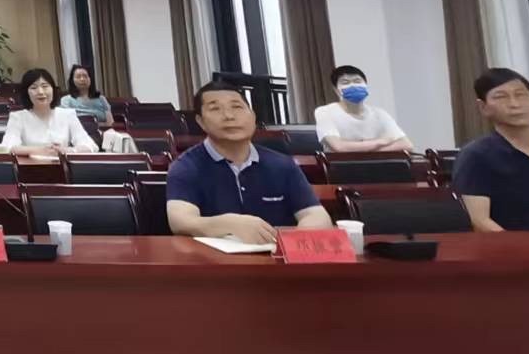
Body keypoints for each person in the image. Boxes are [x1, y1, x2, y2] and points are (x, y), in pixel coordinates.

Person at [166, 80, 331, 243]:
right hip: (213, 258)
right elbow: (181, 222)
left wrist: (294, 242)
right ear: (200, 121)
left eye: (237, 107)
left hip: (276, 254)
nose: (229, 116)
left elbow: (315, 215)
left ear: (252, 116)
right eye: (215, 109)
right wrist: (228, 224)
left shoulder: (282, 164)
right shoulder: (186, 166)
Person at [453, 68, 529, 232]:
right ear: (483, 107)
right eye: (501, 97)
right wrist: (521, 246)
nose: (515, 104)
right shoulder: (476, 156)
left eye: (521, 95)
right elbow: (479, 221)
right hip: (515, 244)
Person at [0, 68, 99, 156]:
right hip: (30, 168)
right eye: (34, 88)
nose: (40, 92)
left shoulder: (68, 115)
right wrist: (42, 150)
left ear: (53, 89)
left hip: (63, 168)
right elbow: (8, 147)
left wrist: (68, 150)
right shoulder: (18, 117)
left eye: (45, 86)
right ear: (26, 93)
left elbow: (91, 146)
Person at [314, 64, 413, 153]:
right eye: (345, 82)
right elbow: (339, 147)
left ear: (366, 85)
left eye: (357, 81)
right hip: (341, 165)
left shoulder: (380, 113)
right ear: (336, 90)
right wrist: (381, 142)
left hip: (378, 164)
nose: (353, 85)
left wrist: (365, 151)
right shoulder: (325, 112)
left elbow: (406, 145)